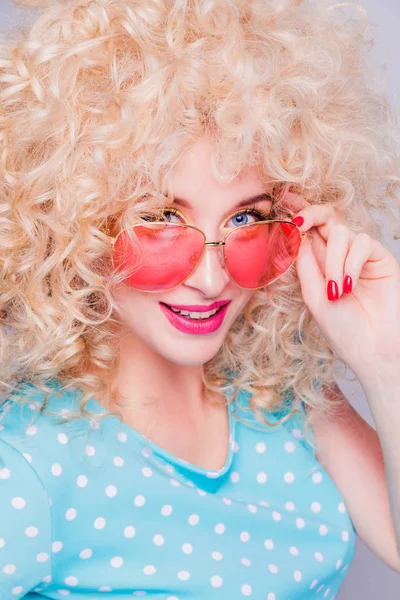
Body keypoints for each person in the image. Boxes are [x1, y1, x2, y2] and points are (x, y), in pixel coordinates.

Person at [0, 0, 399, 598]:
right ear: (76, 226)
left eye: (246, 218)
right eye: (161, 219)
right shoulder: (29, 463)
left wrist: (383, 356)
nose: (212, 279)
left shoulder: (285, 400)